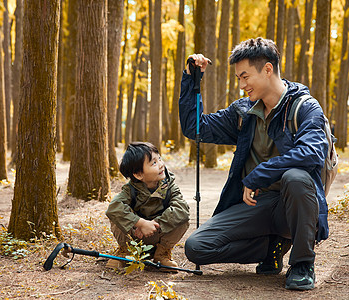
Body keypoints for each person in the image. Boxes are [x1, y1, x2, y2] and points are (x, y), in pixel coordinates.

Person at [179, 37, 329, 290]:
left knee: (296, 177)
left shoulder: (305, 107)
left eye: (245, 77)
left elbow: (311, 153)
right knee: (197, 248)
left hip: (292, 206)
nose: (241, 85)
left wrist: (259, 174)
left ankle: (302, 263)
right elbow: (196, 128)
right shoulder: (243, 112)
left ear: (267, 69)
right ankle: (271, 247)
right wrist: (191, 81)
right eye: (239, 78)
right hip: (255, 206)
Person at [105, 142, 190, 270]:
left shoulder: (169, 185)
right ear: (138, 174)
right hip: (135, 237)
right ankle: (126, 252)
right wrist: (140, 223)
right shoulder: (130, 190)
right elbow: (113, 207)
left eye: (159, 158)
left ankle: (161, 255)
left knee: (182, 220)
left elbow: (182, 209)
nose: (161, 164)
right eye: (154, 163)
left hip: (159, 235)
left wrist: (154, 224)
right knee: (116, 215)